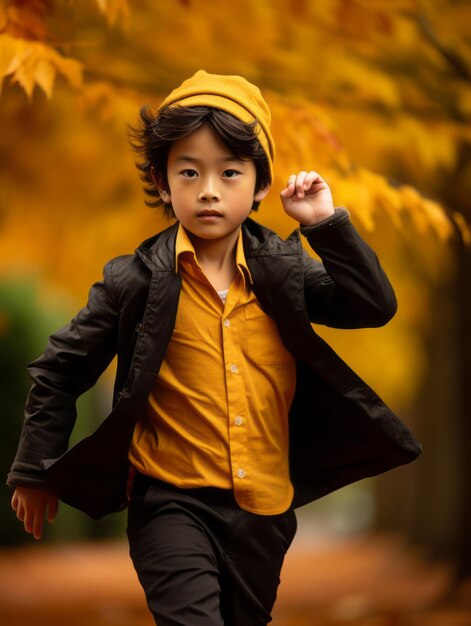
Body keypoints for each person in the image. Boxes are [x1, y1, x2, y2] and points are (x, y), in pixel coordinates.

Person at [8, 70, 421, 626]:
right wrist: (34, 469)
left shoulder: (283, 269)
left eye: (229, 173)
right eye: (189, 171)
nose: (208, 189)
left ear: (259, 188)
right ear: (161, 180)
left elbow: (373, 306)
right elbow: (61, 368)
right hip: (168, 501)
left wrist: (326, 225)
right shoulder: (135, 279)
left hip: (265, 510)